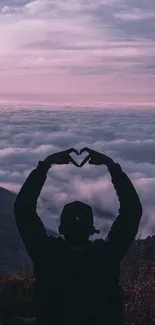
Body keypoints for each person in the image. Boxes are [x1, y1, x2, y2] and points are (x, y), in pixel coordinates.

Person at [14, 147, 143, 325]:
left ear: (60, 229)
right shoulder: (106, 256)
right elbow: (132, 211)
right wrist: (112, 167)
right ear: (92, 229)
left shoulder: (46, 255)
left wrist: (45, 165)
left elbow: (23, 209)